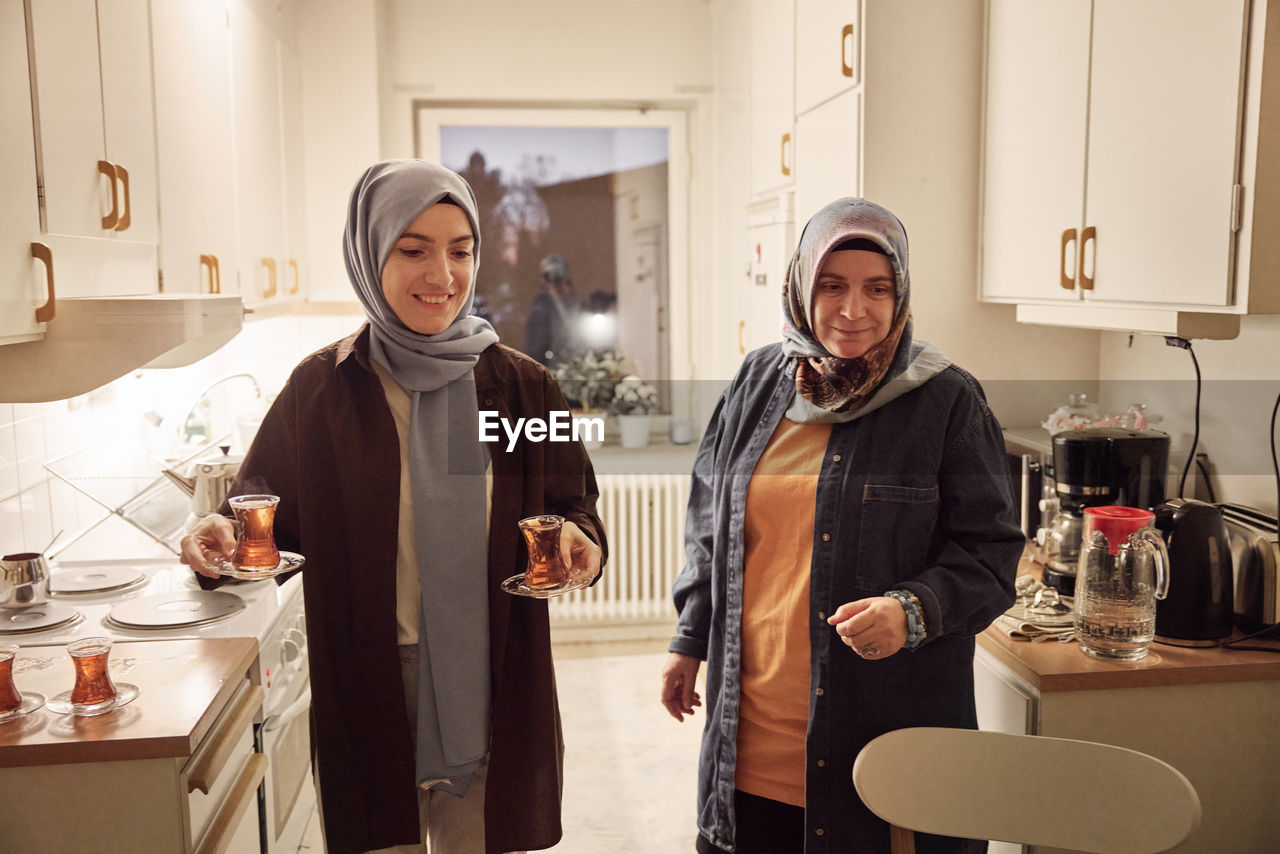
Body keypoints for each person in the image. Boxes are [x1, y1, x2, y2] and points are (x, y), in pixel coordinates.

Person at [180, 160, 606, 854]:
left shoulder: (523, 387)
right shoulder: (322, 391)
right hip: (373, 674)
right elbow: (255, 518)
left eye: (460, 250)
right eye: (413, 250)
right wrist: (216, 532)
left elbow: (574, 506)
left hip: (494, 673)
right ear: (369, 253)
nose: (442, 275)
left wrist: (584, 545)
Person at [660, 198, 1024, 854]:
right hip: (748, 749)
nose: (853, 309)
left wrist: (911, 609)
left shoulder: (947, 400)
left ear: (901, 292)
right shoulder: (757, 380)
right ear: (802, 287)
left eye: (876, 288)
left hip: (881, 747)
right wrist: (690, 636)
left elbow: (993, 556)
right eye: (832, 285)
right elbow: (711, 520)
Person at [523, 253, 582, 366]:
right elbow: (534, 345)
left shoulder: (578, 303)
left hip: (579, 365)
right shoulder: (541, 305)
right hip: (552, 368)